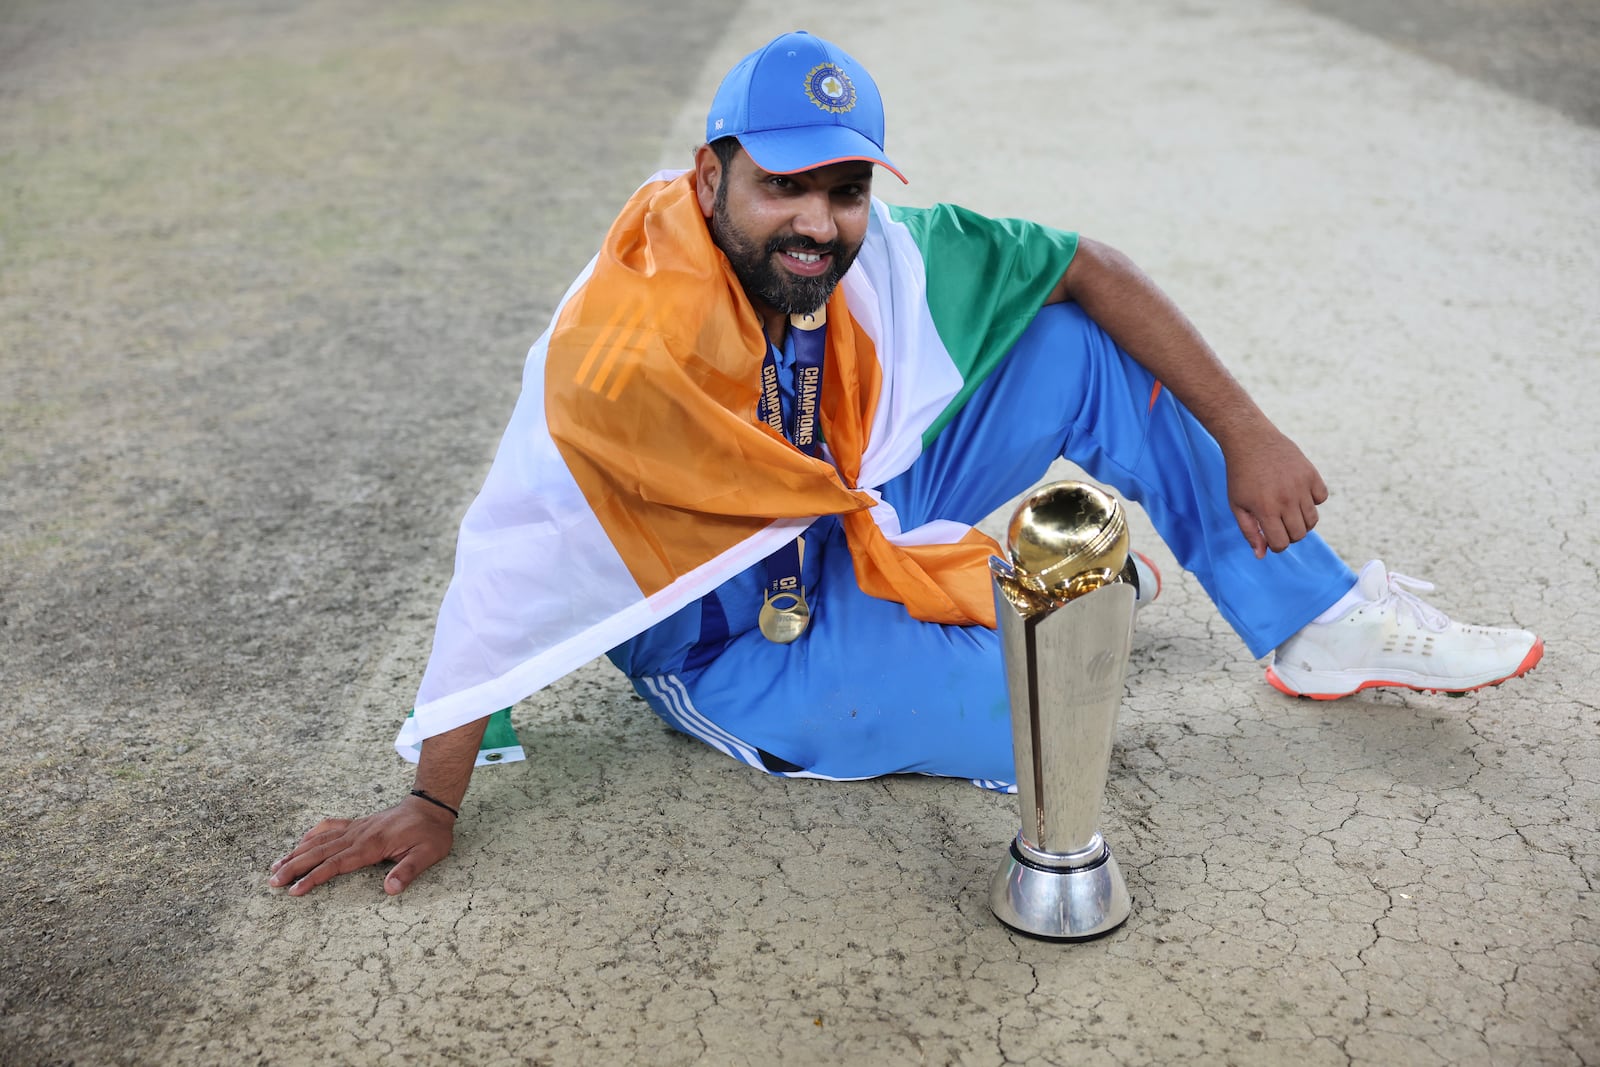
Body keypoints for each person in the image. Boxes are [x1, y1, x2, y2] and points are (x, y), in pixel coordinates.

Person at [269, 30, 1542, 897]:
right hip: (731, 626)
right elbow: (520, 551)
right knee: (1039, 716)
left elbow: (1084, 261)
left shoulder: (865, 250)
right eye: (783, 188)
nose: (819, 222)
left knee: (1071, 342)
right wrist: (434, 795)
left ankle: (1311, 618)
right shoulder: (623, 352)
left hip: (848, 499)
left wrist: (1249, 431)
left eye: (845, 188)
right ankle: (1047, 597)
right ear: (710, 174)